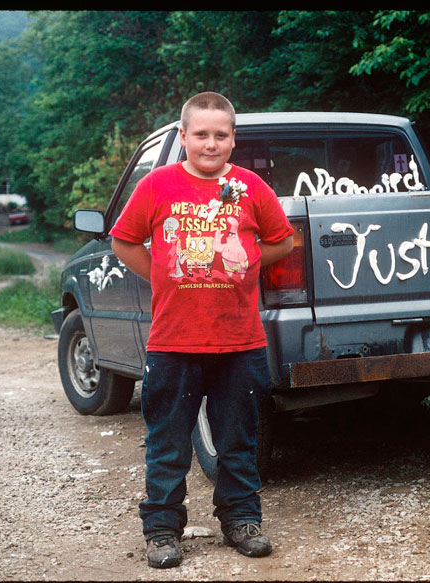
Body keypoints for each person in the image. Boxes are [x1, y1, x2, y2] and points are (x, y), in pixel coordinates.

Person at [110, 92, 294, 568]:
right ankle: (162, 530)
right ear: (183, 136)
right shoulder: (157, 185)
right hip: (174, 340)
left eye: (221, 135)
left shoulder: (250, 187)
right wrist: (162, 276)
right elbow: (124, 241)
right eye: (201, 134)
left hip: (240, 341)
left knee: (239, 438)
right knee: (167, 441)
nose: (210, 144)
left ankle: (241, 519)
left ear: (233, 139)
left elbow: (283, 239)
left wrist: (246, 263)